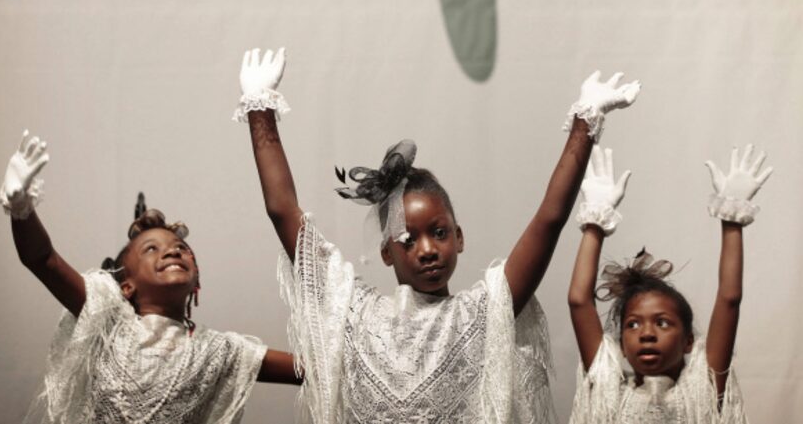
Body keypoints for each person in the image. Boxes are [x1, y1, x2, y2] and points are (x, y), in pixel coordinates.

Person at [236, 47, 640, 423]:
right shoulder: (355, 314)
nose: (427, 249)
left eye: (439, 233)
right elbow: (283, 212)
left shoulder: (481, 315)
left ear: (459, 238)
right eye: (408, 239)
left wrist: (585, 123)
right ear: (386, 253)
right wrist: (260, 111)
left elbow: (548, 221)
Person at [0, 130, 300, 424]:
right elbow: (43, 260)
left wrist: (341, 322)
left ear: (196, 282)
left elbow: (311, 370)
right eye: (151, 249)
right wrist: (21, 209)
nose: (172, 252)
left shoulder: (218, 352)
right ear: (126, 286)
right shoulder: (109, 325)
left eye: (181, 247)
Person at [567, 144, 772, 423]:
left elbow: (729, 299)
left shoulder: (703, 389)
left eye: (662, 322)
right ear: (622, 347)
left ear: (689, 341)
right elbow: (579, 301)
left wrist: (732, 220)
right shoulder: (608, 392)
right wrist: (595, 221)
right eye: (633, 324)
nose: (646, 334)